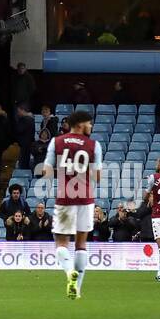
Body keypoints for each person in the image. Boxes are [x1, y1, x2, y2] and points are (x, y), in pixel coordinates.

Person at [42, 110, 102, 299]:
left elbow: (46, 171)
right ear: (80, 124)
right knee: (81, 244)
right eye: (89, 123)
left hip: (65, 198)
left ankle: (69, 273)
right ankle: (77, 290)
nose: (91, 127)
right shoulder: (94, 145)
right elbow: (97, 177)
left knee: (61, 243)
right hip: (85, 199)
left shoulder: (56, 142)